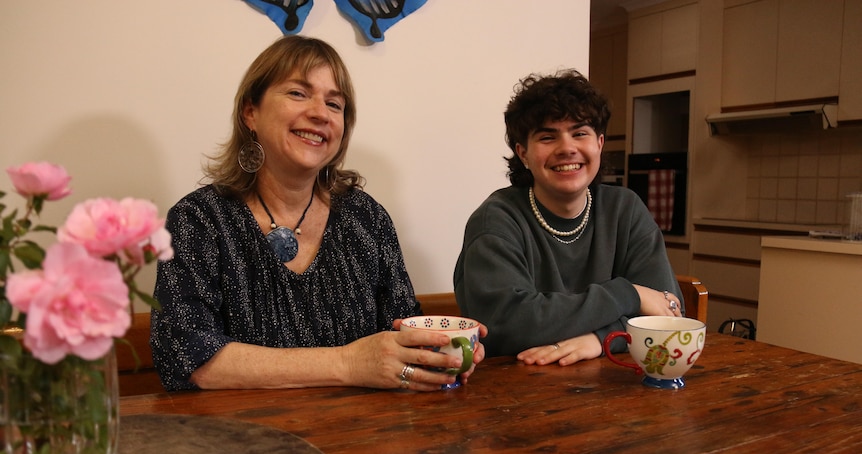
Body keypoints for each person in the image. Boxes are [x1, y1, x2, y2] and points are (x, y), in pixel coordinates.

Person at [151, 35, 484, 392]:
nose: (320, 113)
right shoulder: (198, 220)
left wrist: (438, 353)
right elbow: (188, 357)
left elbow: (399, 330)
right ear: (251, 112)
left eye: (334, 104)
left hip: (361, 437)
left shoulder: (366, 218)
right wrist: (347, 363)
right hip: (244, 442)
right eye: (298, 93)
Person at [453, 69, 682, 366]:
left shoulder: (625, 209)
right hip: (518, 389)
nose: (567, 148)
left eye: (580, 133)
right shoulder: (495, 220)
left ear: (599, 143)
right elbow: (509, 325)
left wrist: (601, 339)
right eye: (548, 137)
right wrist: (628, 295)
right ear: (523, 153)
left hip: (615, 385)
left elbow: (670, 313)